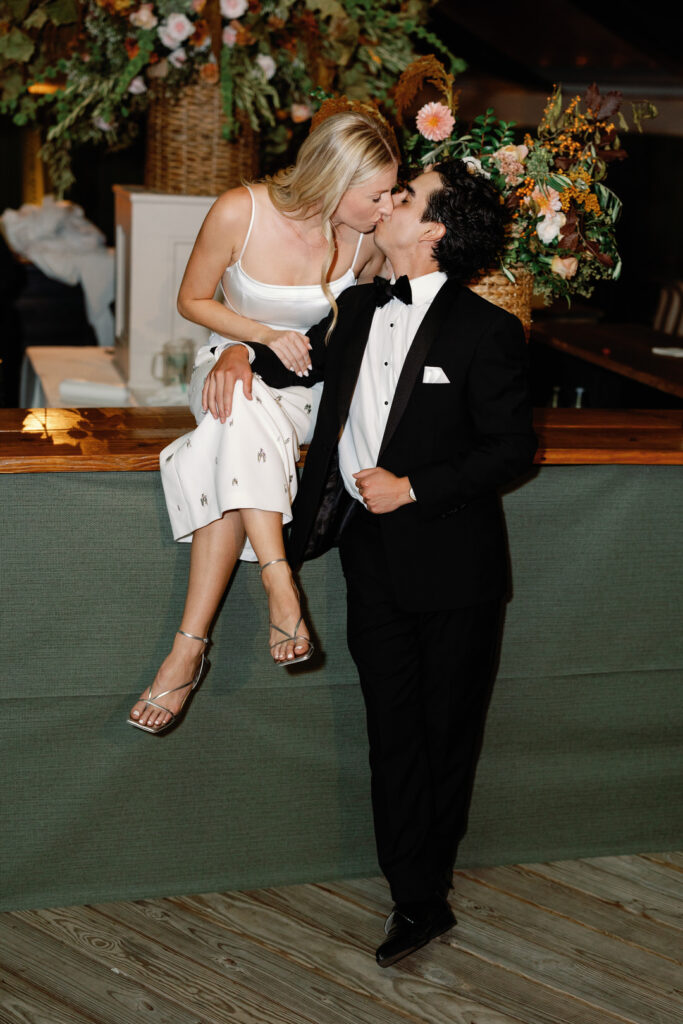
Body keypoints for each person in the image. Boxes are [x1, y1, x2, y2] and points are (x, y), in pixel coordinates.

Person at [215, 160, 538, 966]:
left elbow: (512, 449)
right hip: (370, 559)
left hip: (456, 566)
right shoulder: (356, 306)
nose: (388, 202)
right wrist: (233, 351)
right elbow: (294, 365)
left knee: (444, 733)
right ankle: (415, 897)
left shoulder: (485, 330)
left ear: (431, 229)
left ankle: (425, 887)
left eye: (405, 196)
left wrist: (414, 488)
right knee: (391, 732)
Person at [127, 111, 398, 734]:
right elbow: (192, 299)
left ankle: (189, 647)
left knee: (231, 430)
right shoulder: (238, 210)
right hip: (226, 367)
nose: (385, 207)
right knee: (237, 402)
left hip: (307, 392)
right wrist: (251, 341)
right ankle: (281, 583)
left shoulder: (366, 238)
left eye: (390, 193)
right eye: (376, 193)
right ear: (333, 179)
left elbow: (359, 325)